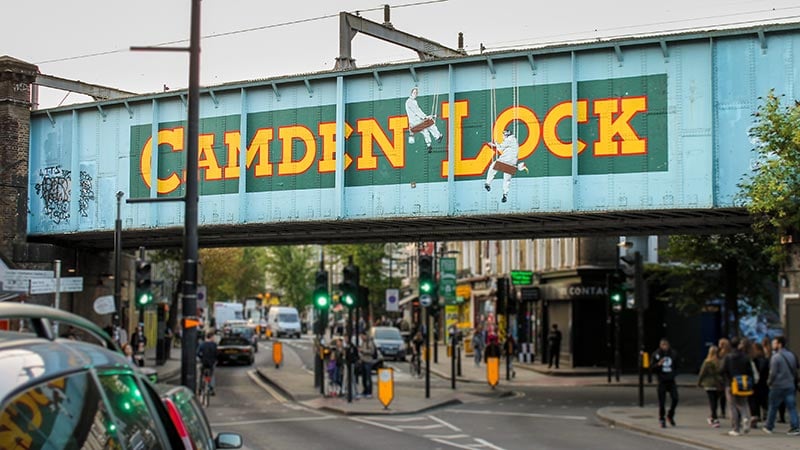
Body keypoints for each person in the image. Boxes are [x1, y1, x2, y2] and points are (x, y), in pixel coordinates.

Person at [762, 336, 800, 435]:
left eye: (774, 343)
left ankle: (769, 426)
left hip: (777, 386)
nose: (772, 345)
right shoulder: (791, 355)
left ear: (779, 344)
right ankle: (796, 427)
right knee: (792, 407)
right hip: (790, 385)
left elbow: (773, 373)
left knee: (773, 406)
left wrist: (769, 382)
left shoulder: (776, 357)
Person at [720, 337, 754, 436]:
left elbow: (722, 370)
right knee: (743, 403)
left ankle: (736, 429)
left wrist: (726, 379)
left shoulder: (728, 357)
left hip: (731, 384)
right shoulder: (745, 357)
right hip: (743, 383)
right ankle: (746, 418)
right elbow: (750, 371)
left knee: (732, 406)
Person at [484, 128, 527, 203]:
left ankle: (488, 183)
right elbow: (505, 146)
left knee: (492, 168)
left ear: (506, 135)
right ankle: (505, 194)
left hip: (505, 160)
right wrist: (494, 145)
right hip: (512, 163)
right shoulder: (514, 140)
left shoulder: (509, 140)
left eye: (503, 135)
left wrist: (495, 143)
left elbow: (501, 147)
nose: (503, 137)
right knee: (507, 180)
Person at [652, 338, 679, 428]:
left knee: (675, 398)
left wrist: (674, 374)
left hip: (671, 380)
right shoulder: (656, 354)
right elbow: (651, 368)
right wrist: (658, 364)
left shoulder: (673, 354)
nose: (665, 347)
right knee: (662, 402)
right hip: (661, 381)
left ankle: (670, 415)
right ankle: (662, 418)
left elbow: (677, 365)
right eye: (663, 345)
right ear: (660, 345)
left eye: (666, 345)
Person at [405, 87, 442, 152]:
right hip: (416, 123)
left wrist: (425, 117)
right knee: (431, 123)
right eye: (414, 92)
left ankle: (429, 145)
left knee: (425, 131)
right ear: (411, 93)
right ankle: (438, 136)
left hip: (414, 124)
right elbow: (417, 111)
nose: (415, 94)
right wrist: (425, 117)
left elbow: (418, 111)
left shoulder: (413, 101)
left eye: (416, 93)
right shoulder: (410, 102)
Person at [697, 345, 723, 428]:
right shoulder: (719, 362)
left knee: (712, 402)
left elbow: (702, 373)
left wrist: (699, 382)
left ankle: (714, 418)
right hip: (718, 384)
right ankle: (713, 416)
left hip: (709, 384)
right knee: (715, 401)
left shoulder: (707, 362)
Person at [750, 342, 770, 428]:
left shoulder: (755, 360)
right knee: (762, 400)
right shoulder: (765, 359)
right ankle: (763, 414)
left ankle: (756, 416)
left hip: (757, 383)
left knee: (755, 401)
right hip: (764, 384)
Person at [358, 332, 378, 398]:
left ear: (365, 335)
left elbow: (371, 351)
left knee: (368, 377)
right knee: (363, 377)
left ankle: (369, 391)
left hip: (368, 361)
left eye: (362, 336)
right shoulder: (363, 342)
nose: (361, 338)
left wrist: (363, 350)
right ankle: (365, 390)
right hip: (363, 361)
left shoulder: (369, 342)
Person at [718, 338, 732, 418]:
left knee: (723, 395)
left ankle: (723, 411)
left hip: (724, 377)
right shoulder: (729, 353)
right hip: (728, 376)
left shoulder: (722, 354)